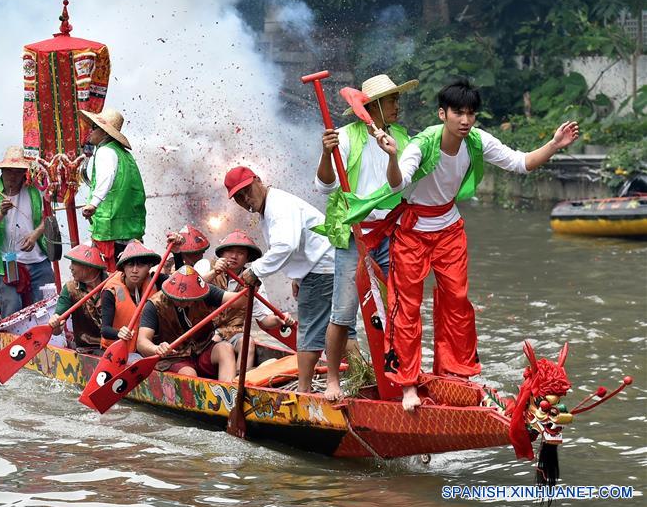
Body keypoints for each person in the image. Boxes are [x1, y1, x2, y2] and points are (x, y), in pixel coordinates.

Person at [365, 78, 580, 412]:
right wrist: (392, 157)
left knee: (458, 303)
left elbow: (520, 163)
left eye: (470, 113)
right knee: (406, 307)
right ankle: (407, 384)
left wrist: (553, 145)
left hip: (450, 229)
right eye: (458, 113)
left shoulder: (477, 141)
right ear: (442, 114)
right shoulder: (422, 144)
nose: (465, 120)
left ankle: (456, 374)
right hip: (412, 231)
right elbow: (398, 183)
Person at [314, 74, 414, 401]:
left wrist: (392, 155)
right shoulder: (343, 136)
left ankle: (401, 377)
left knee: (399, 310)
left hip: (389, 233)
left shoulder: (400, 137)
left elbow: (404, 186)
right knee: (342, 312)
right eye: (392, 101)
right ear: (373, 107)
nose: (398, 106)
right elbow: (325, 187)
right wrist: (327, 154)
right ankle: (332, 381)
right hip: (354, 235)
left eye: (397, 99)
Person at [225, 166, 335, 394]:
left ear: (258, 180)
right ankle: (359, 377)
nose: (245, 199)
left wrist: (255, 270)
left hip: (322, 268)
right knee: (338, 327)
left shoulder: (277, 206)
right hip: (322, 266)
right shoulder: (269, 208)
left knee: (309, 332)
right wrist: (298, 276)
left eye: (246, 190)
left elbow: (286, 245)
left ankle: (303, 393)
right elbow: (297, 242)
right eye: (238, 197)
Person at [0, 146, 56, 318]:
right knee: (12, 312)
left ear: (24, 173)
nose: (13, 176)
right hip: (7, 263)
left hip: (38, 261)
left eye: (17, 172)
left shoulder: (35, 190)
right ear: (2, 172)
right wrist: (1, 212)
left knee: (45, 312)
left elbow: (49, 218)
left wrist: (35, 235)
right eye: (9, 172)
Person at [206, 229, 296, 370]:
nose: (234, 256)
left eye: (240, 253)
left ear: (248, 259)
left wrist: (279, 319)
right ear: (222, 254)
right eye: (230, 251)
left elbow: (264, 319)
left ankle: (241, 381)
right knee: (214, 343)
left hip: (233, 331)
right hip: (204, 332)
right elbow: (191, 287)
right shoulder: (207, 267)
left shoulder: (253, 281)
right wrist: (214, 272)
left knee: (247, 343)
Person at [138, 265, 242, 381]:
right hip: (174, 357)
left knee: (226, 349)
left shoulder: (204, 291)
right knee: (189, 373)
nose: (184, 302)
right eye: (179, 299)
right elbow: (142, 341)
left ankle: (228, 394)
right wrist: (156, 348)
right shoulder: (154, 305)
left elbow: (239, 301)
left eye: (189, 299)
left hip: (202, 348)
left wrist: (250, 284)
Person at [80, 108, 147, 270]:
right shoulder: (125, 155)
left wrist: (93, 204)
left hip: (110, 231)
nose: (90, 131)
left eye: (94, 127)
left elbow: (106, 177)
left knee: (112, 281)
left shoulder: (105, 151)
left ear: (105, 132)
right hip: (131, 230)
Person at [100, 240, 163, 353]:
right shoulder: (111, 291)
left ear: (149, 266)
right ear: (123, 267)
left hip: (148, 349)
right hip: (117, 352)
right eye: (130, 265)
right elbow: (105, 330)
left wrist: (177, 253)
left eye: (140, 265)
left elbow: (181, 283)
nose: (134, 270)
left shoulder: (157, 280)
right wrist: (119, 333)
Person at [47, 243, 109, 353]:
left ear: (89, 266)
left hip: (113, 347)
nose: (70, 268)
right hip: (86, 350)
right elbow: (57, 330)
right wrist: (54, 323)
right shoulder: (70, 288)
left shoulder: (114, 283)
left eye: (74, 263)